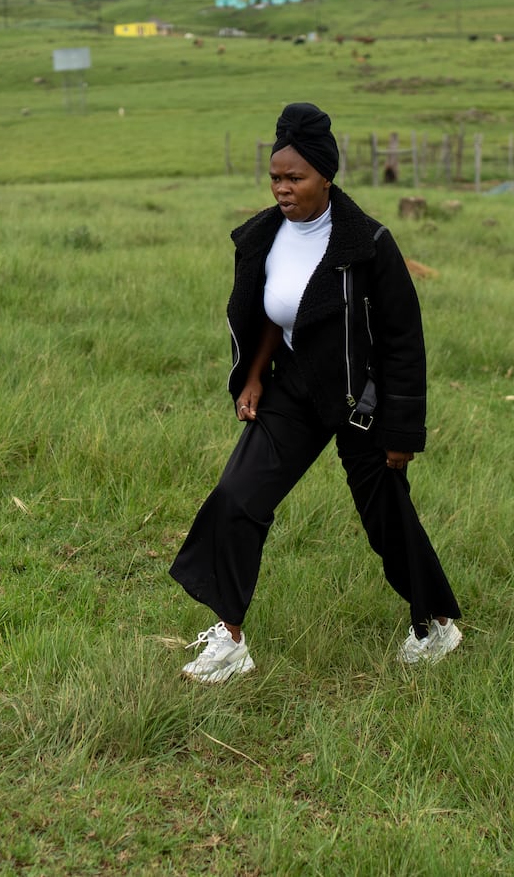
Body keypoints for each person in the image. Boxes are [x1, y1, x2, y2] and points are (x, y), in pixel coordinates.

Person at [170, 102, 462, 683]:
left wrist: (402, 433)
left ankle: (435, 625)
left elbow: (405, 341)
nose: (282, 188)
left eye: (295, 178)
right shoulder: (264, 237)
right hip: (296, 388)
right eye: (276, 177)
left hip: (362, 403)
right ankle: (229, 641)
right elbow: (276, 317)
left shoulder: (368, 244)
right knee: (236, 495)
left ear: (325, 177)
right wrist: (254, 374)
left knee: (387, 519)